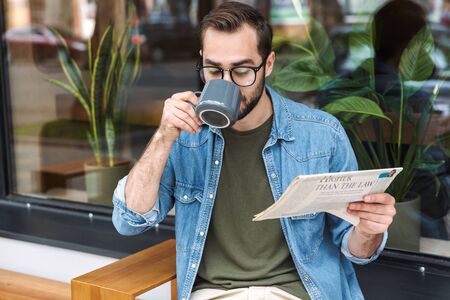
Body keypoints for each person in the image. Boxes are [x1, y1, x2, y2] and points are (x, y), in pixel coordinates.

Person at [112, 2, 396, 299]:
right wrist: (163, 136)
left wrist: (369, 230)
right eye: (213, 70)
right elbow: (128, 222)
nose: (227, 84)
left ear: (268, 64)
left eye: (242, 70)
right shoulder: (184, 134)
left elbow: (356, 250)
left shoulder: (322, 134)